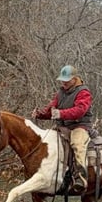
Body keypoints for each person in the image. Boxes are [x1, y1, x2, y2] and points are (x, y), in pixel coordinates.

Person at [32, 65, 93, 194]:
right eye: (62, 80)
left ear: (75, 79)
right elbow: (51, 109)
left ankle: (81, 178)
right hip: (63, 127)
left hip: (79, 126)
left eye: (67, 80)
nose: (64, 82)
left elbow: (80, 110)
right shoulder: (60, 93)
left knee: (77, 145)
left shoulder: (83, 92)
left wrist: (61, 114)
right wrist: (40, 114)